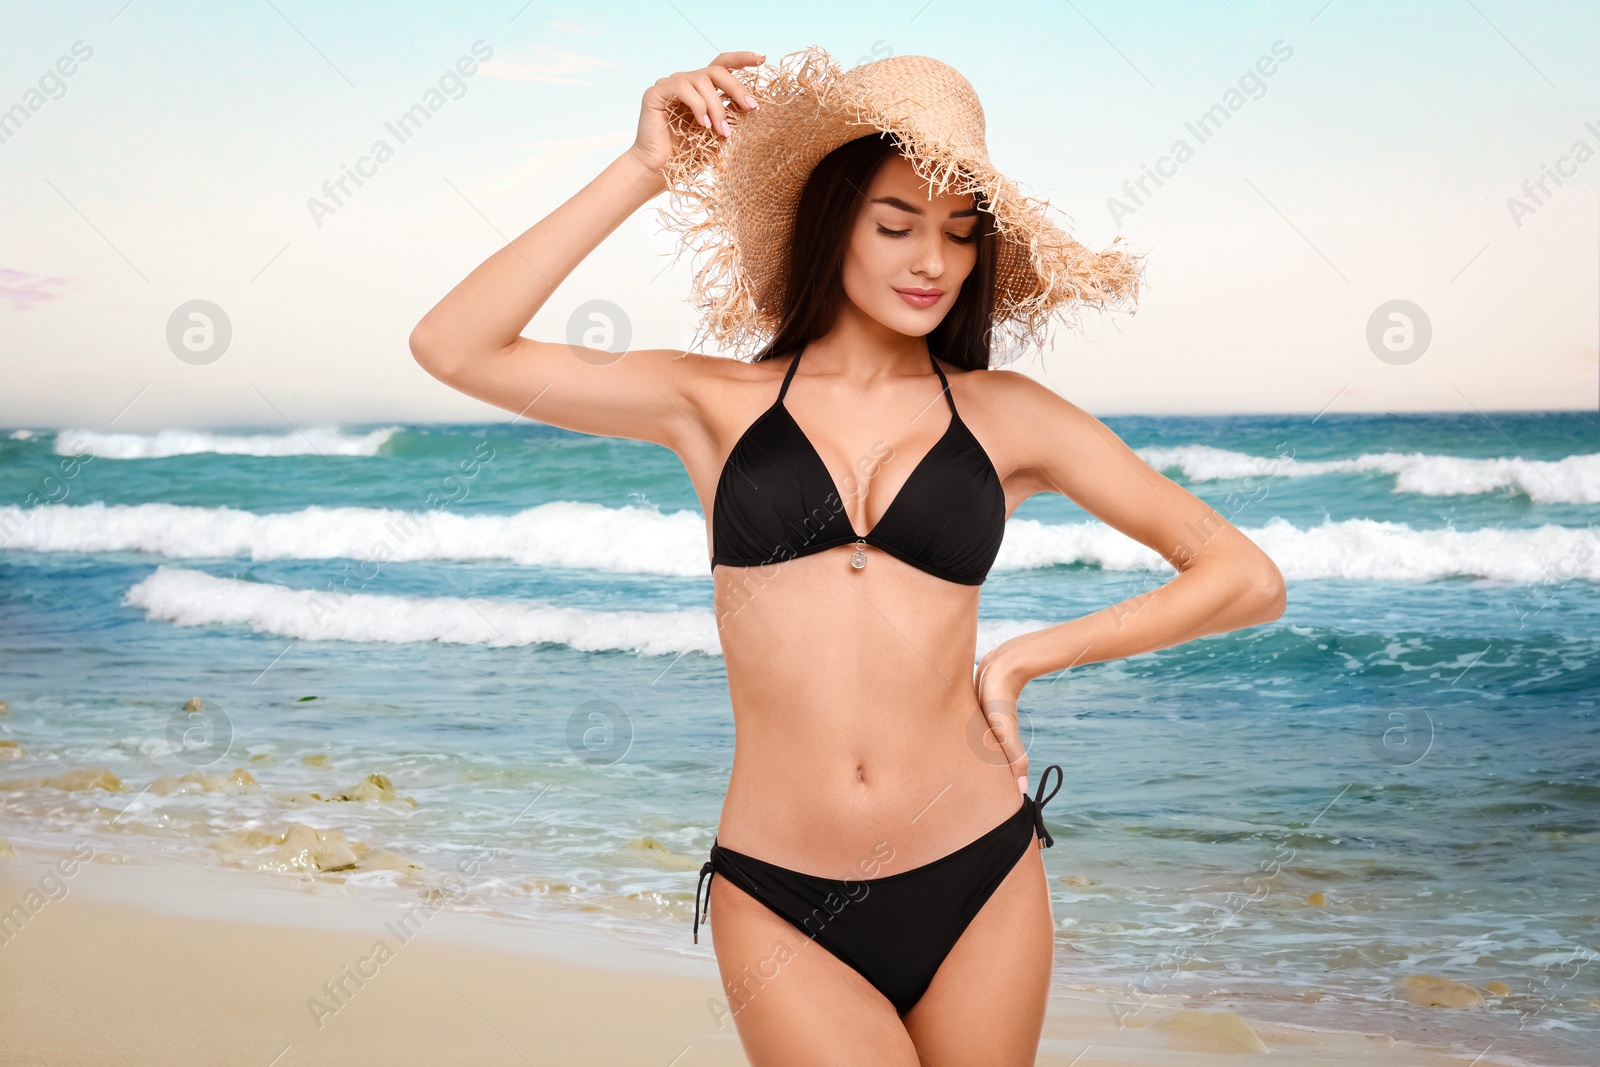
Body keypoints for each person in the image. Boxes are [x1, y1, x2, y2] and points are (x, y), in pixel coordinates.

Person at [410, 46, 1286, 1067]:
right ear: (833, 225)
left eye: (960, 234)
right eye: (895, 224)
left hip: (978, 871)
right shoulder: (713, 404)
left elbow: (1243, 576)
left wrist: (1022, 659)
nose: (932, 261)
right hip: (779, 891)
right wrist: (645, 167)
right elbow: (455, 345)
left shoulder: (1009, 418)